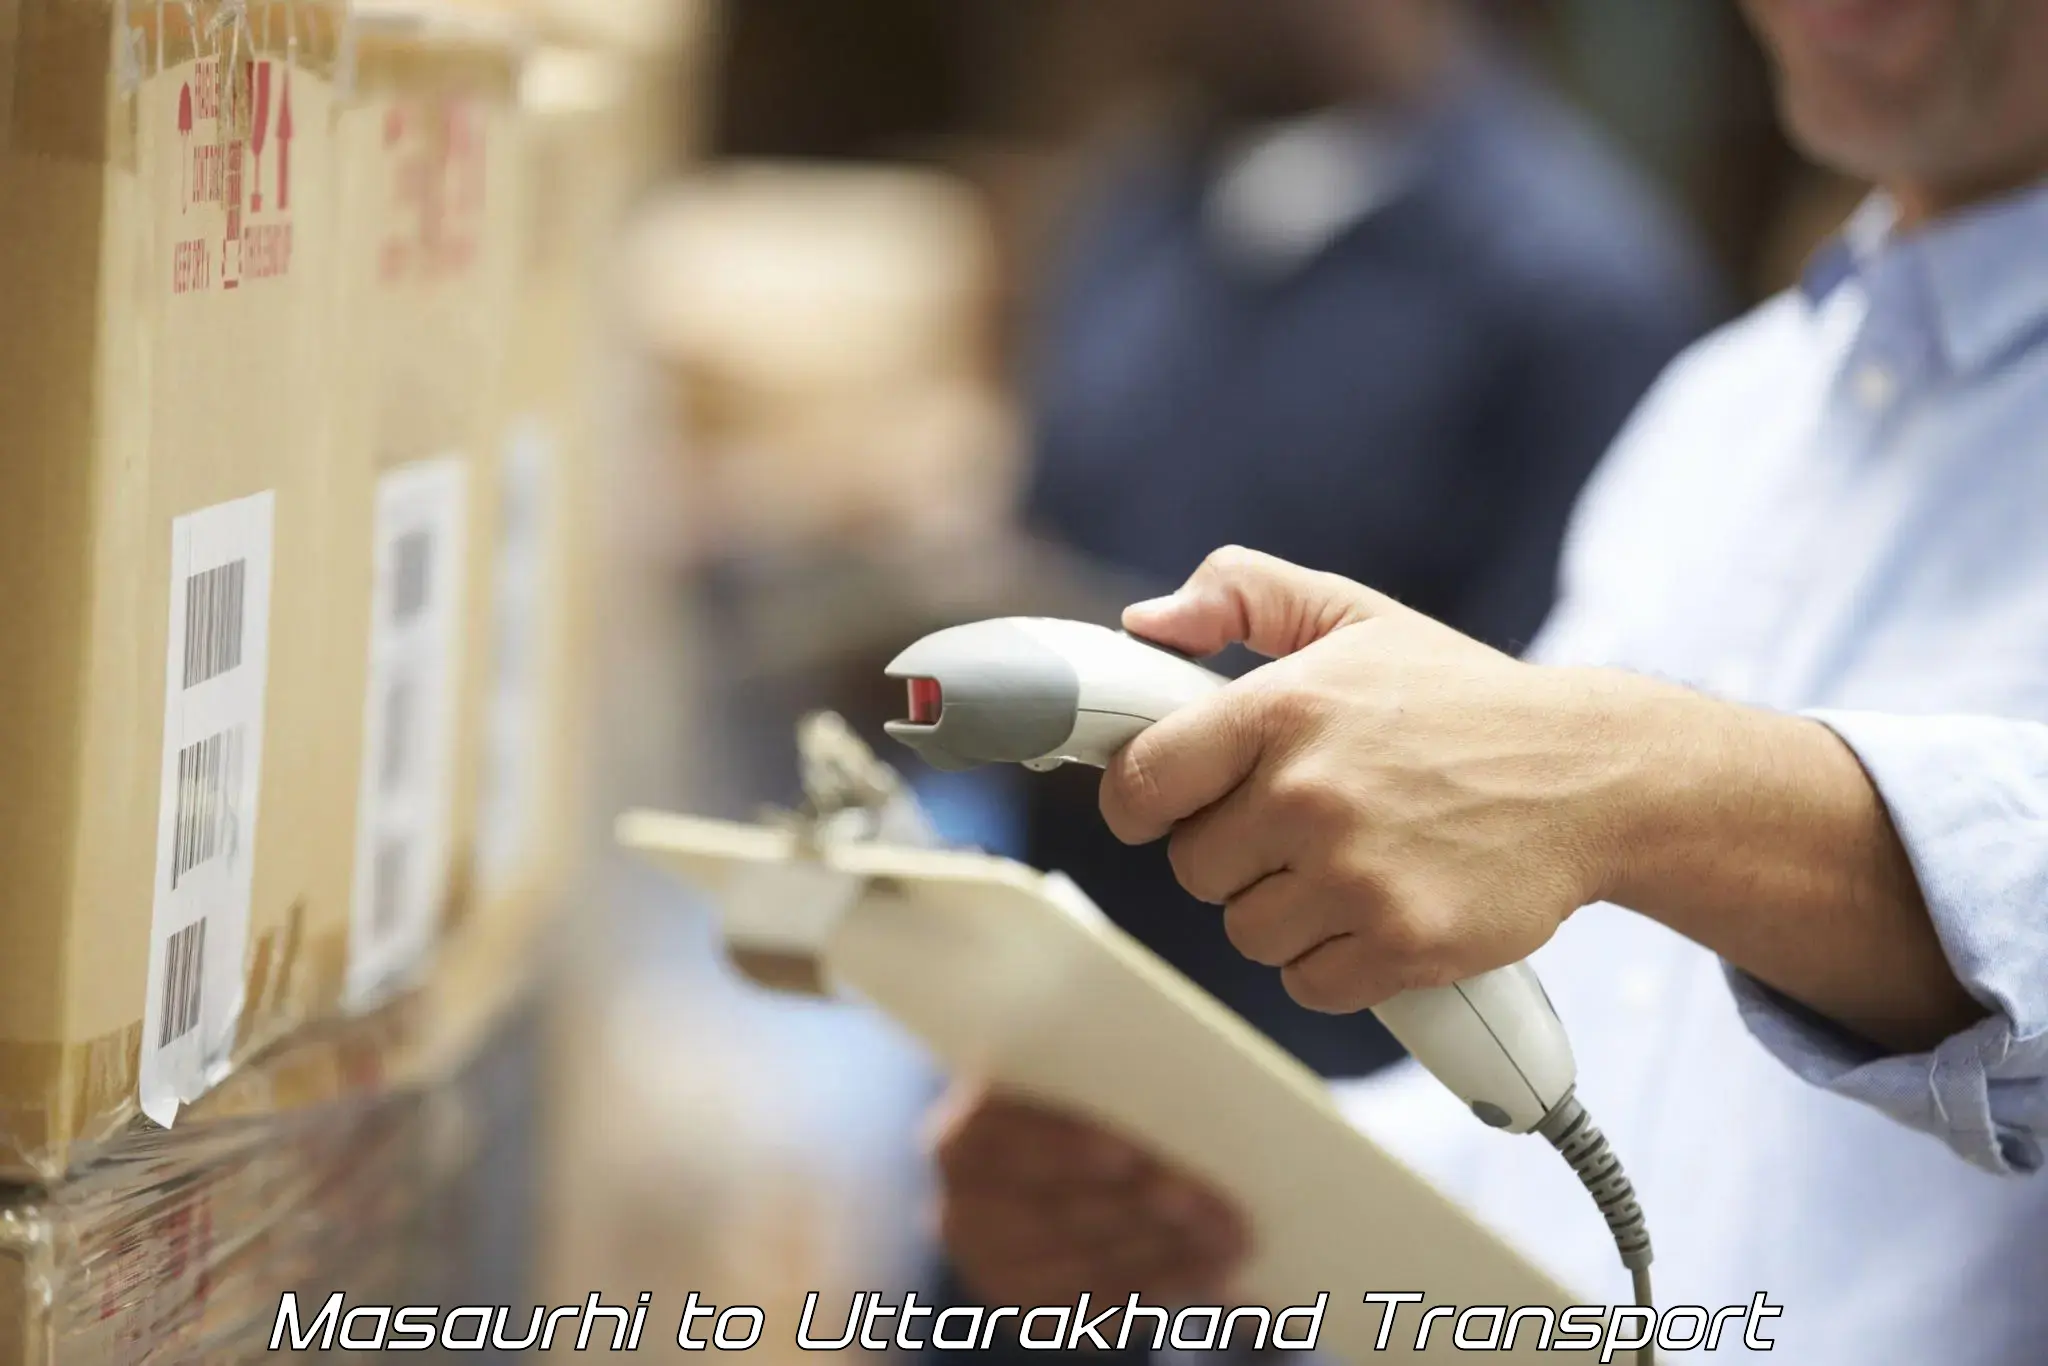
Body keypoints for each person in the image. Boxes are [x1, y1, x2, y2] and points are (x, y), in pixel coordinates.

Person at [934, 0, 2048, 1361]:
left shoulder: (1580, 290)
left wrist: (1628, 779)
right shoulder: (1725, 420)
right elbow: (1596, 1120)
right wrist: (1199, 1208)